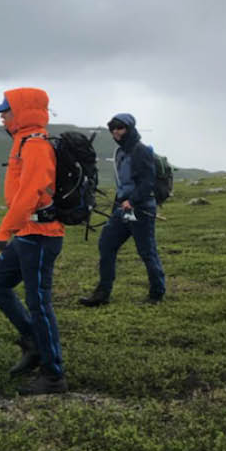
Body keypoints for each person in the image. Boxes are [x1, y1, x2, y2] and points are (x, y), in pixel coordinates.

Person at [0, 87, 67, 395]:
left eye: (6, 111)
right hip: (28, 235)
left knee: (39, 304)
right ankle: (33, 342)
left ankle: (53, 376)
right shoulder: (22, 141)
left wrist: (3, 232)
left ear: (22, 113)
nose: (2, 116)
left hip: (42, 236)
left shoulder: (35, 145)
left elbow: (30, 194)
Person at [79, 113, 166, 307]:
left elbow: (147, 182)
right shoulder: (119, 152)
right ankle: (102, 293)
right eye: (113, 129)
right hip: (122, 209)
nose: (116, 132)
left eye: (120, 128)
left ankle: (157, 293)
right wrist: (119, 203)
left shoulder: (140, 151)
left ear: (129, 128)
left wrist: (132, 200)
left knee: (146, 251)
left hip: (141, 208)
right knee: (106, 245)